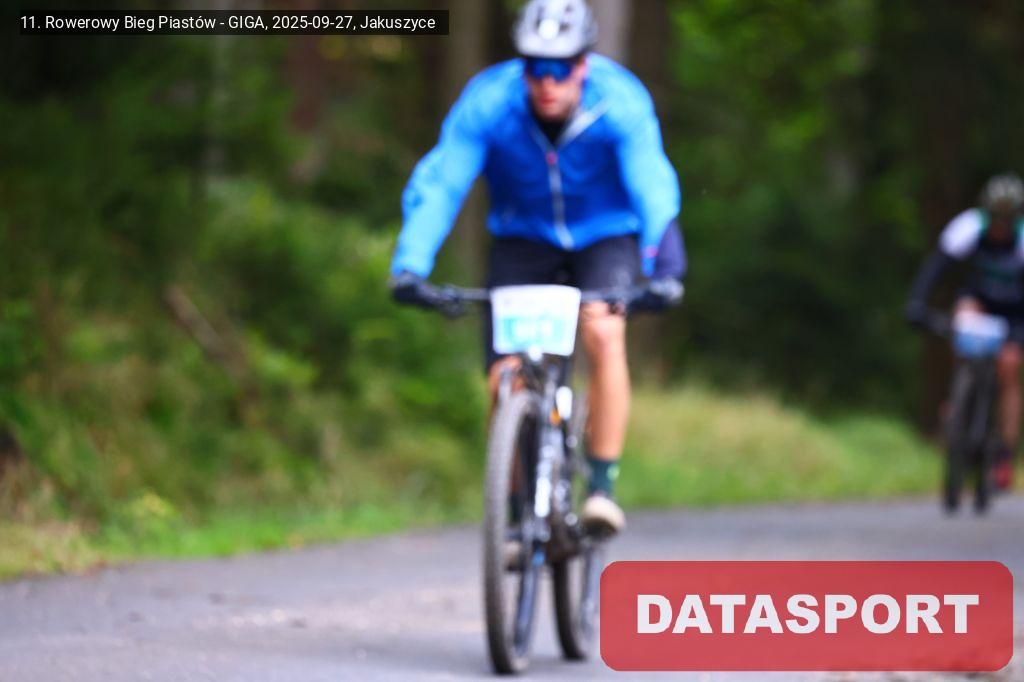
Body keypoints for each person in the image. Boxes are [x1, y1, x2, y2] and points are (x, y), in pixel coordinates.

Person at [388, 0, 686, 535]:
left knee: (603, 330)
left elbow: (652, 184)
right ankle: (513, 504)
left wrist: (664, 265)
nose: (547, 81)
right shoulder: (490, 101)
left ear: (583, 65)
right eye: (535, 67)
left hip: (605, 235)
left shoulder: (619, 100)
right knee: (505, 374)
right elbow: (443, 181)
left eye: (561, 67)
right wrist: (410, 265)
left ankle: (601, 487)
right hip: (523, 239)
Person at [906, 173, 1024, 490]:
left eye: (1007, 219)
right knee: (962, 327)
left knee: (1009, 367)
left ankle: (1004, 454)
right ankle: (958, 402)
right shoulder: (969, 227)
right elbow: (936, 268)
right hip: (978, 302)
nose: (1000, 225)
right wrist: (917, 302)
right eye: (996, 217)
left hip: (1015, 311)